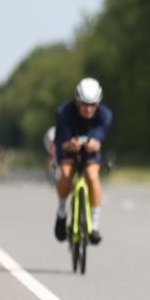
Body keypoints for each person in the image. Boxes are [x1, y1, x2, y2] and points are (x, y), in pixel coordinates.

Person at [53, 78, 113, 245]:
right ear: (76, 101)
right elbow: (62, 141)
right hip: (68, 148)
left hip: (89, 151)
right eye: (84, 104)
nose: (88, 108)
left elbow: (99, 138)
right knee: (65, 174)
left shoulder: (105, 115)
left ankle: (94, 225)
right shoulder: (64, 112)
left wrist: (94, 143)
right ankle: (61, 213)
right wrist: (69, 145)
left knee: (92, 177)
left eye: (93, 104)